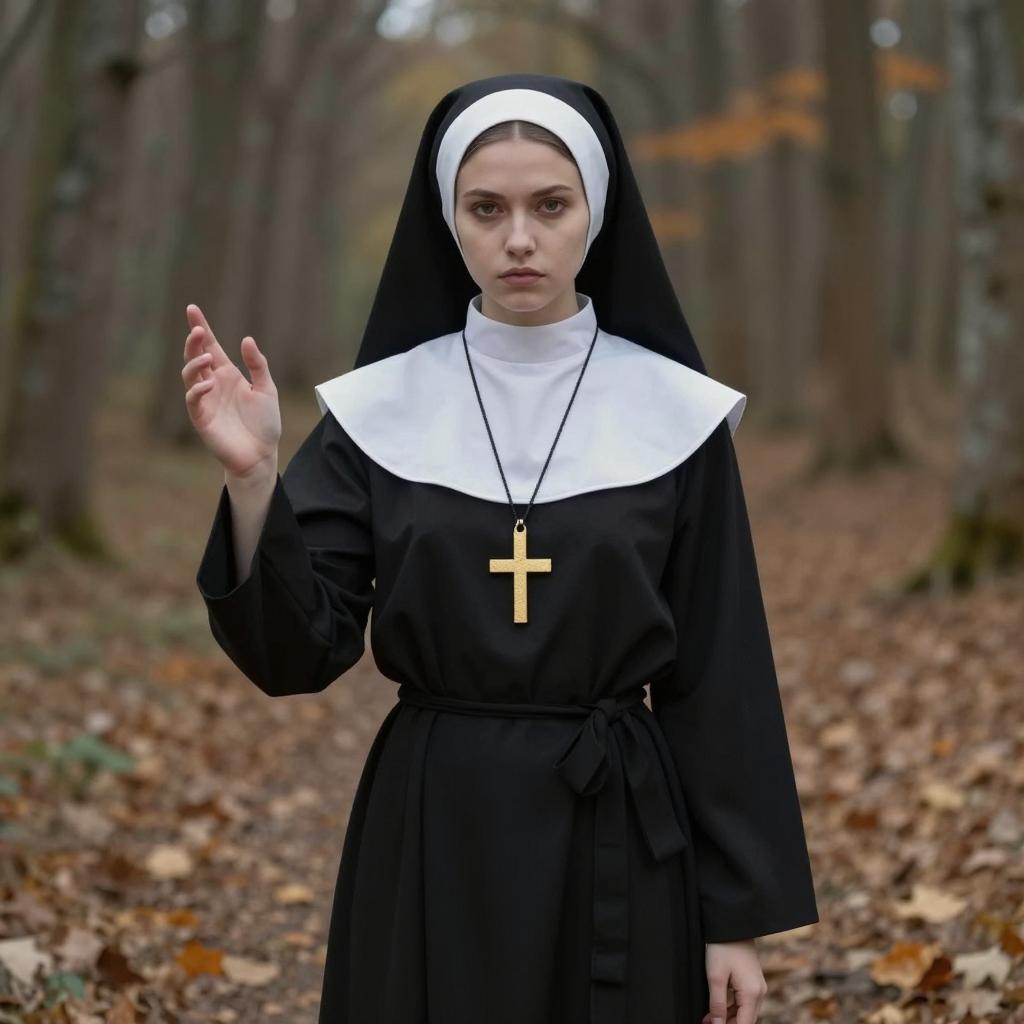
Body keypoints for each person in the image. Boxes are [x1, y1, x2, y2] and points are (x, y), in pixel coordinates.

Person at [183, 72, 818, 1024]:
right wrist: (253, 480)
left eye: (549, 205)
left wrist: (732, 918)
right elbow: (297, 651)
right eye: (487, 208)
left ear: (594, 215)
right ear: (450, 220)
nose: (519, 239)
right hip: (433, 825)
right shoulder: (378, 412)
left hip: (618, 829)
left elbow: (720, 680)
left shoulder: (675, 416)